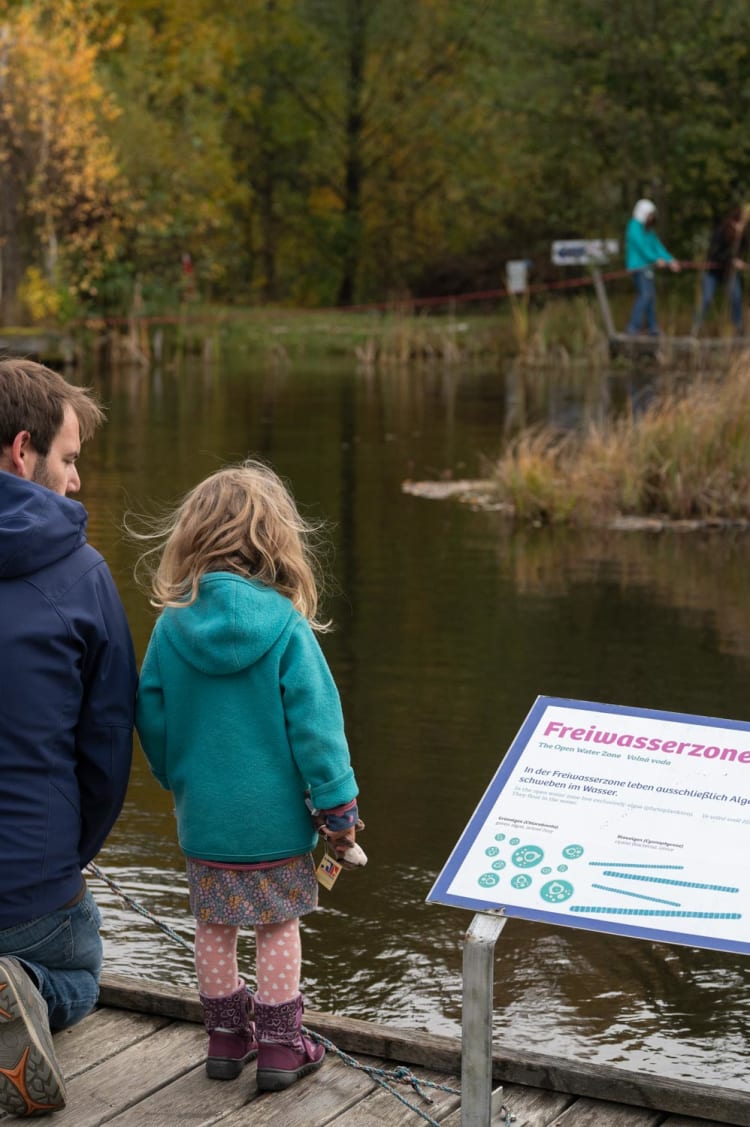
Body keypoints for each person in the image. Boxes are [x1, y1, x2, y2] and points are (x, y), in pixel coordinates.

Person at [134, 459, 362, 1093]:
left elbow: (149, 714)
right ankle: (284, 1048)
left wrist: (176, 775)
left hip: (204, 816)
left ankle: (226, 1039)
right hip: (276, 820)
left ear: (192, 538)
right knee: (277, 925)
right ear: (275, 540)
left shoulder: (171, 624)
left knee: (214, 923)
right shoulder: (286, 625)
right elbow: (318, 731)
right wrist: (339, 810)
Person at [0, 359, 137, 1116]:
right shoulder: (81, 574)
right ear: (24, 451)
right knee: (80, 977)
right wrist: (68, 853)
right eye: (70, 458)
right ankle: (23, 990)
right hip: (28, 891)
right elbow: (107, 748)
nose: (77, 481)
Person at [624, 198, 681, 335]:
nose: (651, 218)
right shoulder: (634, 227)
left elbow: (657, 246)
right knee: (645, 296)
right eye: (649, 215)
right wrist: (656, 259)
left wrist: (670, 260)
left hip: (648, 268)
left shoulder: (647, 229)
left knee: (651, 297)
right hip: (638, 267)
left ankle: (652, 328)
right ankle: (632, 327)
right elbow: (642, 247)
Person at [692, 203, 749, 335]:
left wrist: (740, 237)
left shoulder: (741, 235)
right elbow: (715, 254)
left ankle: (739, 328)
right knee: (706, 298)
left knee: (736, 297)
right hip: (713, 272)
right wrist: (731, 260)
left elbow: (743, 250)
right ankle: (696, 328)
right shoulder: (721, 232)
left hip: (728, 273)